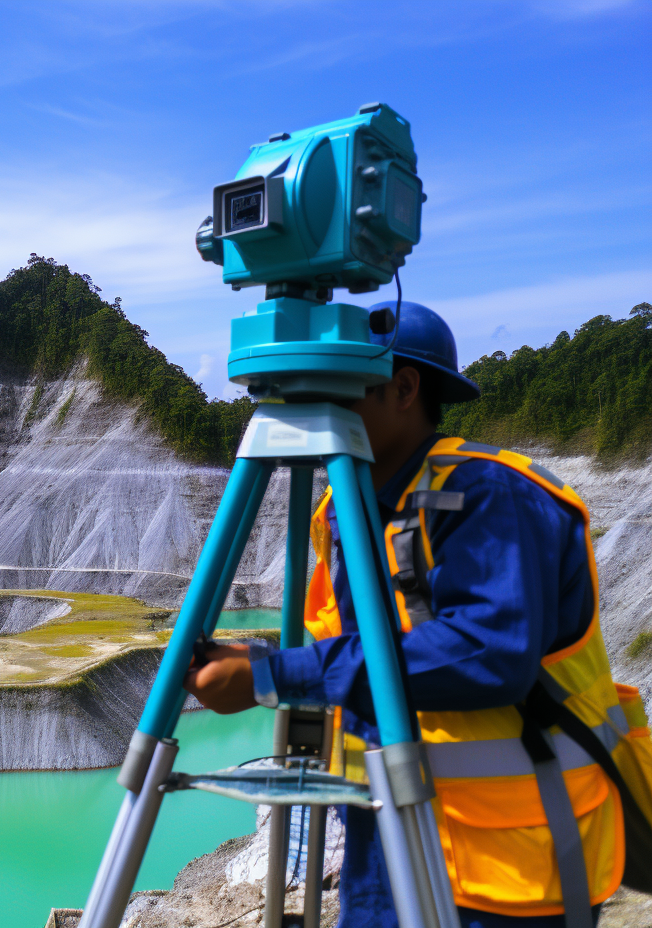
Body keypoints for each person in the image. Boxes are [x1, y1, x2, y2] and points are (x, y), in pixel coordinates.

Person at [183, 301, 650, 928]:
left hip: (513, 868)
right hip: (387, 844)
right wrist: (255, 661)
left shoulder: (489, 495)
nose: (313, 404)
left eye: (338, 383)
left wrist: (275, 677)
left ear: (404, 388)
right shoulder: (343, 513)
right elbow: (340, 645)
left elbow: (489, 653)